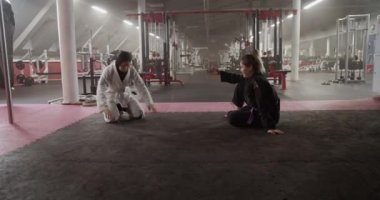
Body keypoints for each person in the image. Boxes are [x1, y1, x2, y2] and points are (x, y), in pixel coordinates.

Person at [220, 54, 284, 135]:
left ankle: (233, 114)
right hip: (256, 109)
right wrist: (219, 73)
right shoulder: (251, 77)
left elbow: (262, 104)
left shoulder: (259, 82)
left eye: (242, 67)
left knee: (233, 118)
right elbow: (235, 77)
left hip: (268, 116)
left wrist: (270, 127)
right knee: (240, 84)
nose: (241, 69)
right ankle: (234, 112)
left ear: (250, 67)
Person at [97, 51, 157, 123]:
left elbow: (140, 85)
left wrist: (149, 102)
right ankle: (118, 110)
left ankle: (124, 109)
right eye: (124, 65)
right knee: (112, 118)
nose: (126, 67)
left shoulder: (131, 69)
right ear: (119, 62)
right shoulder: (109, 70)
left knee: (139, 114)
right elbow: (100, 87)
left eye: (128, 64)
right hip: (111, 96)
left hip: (124, 95)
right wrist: (104, 107)